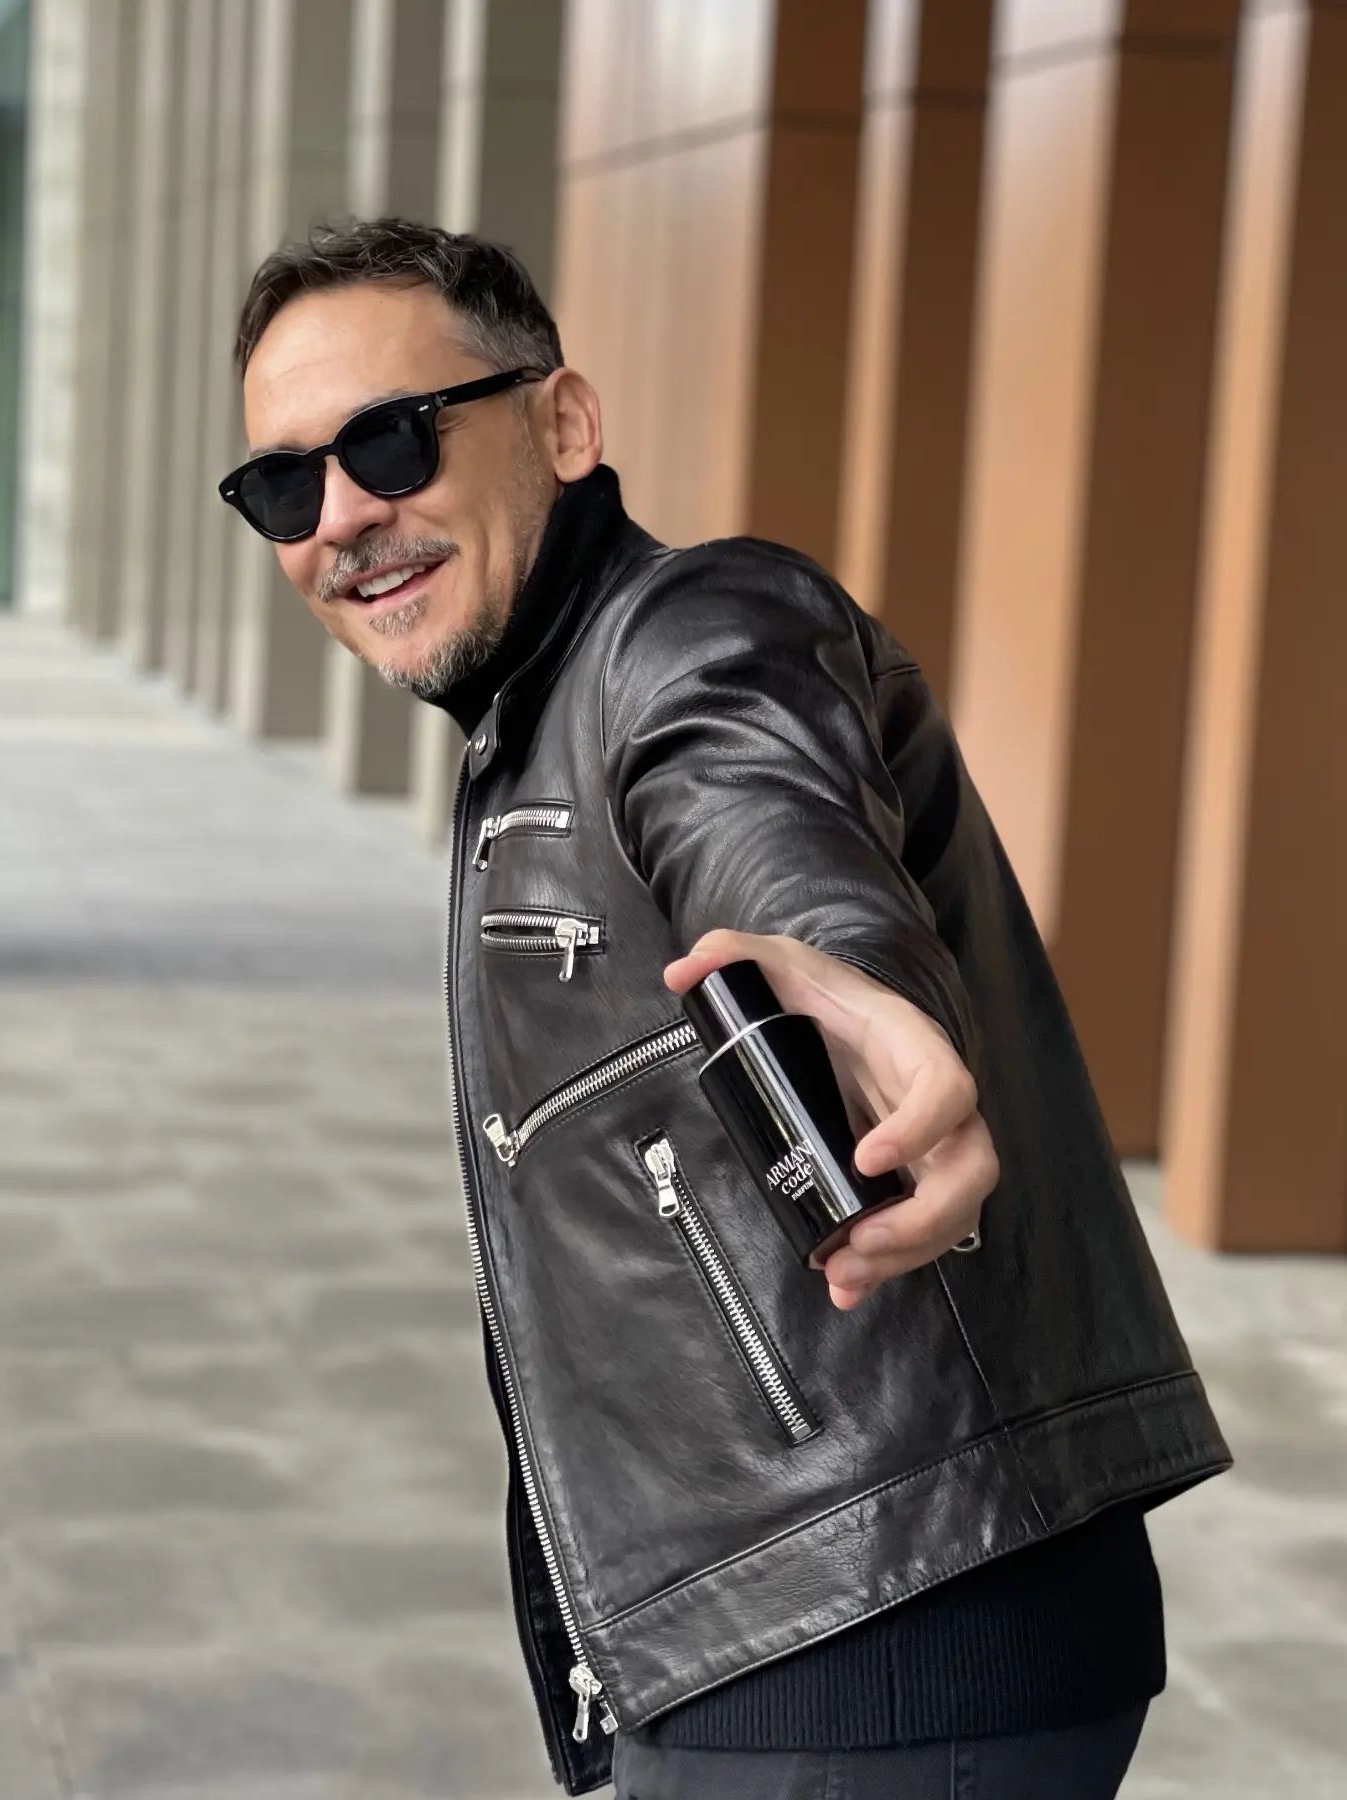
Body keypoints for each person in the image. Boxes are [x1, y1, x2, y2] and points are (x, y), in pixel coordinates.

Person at [220, 218, 1231, 1800]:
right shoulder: (530, 727)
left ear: (564, 422)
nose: (345, 514)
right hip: (794, 1636)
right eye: (287, 485)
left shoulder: (694, 629)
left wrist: (860, 987)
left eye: (394, 440)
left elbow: (760, 818)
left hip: (879, 1644)